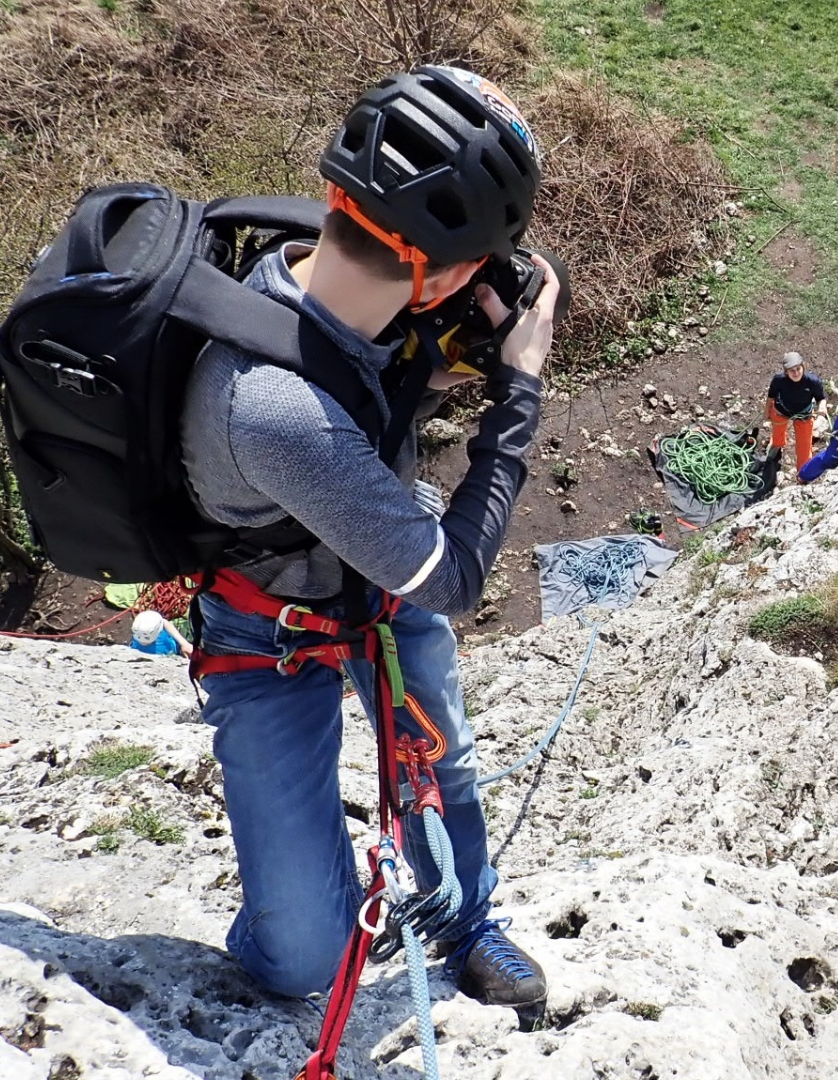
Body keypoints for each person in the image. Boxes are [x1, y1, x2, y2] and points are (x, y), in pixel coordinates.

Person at [179, 66, 554, 1011]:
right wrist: (518, 389)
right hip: (267, 634)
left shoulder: (313, 271)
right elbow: (454, 577)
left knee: (445, 759)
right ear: (452, 270)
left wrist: (433, 371)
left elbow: (362, 391)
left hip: (367, 585)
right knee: (306, 959)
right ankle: (304, 911)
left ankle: (465, 917)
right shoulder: (273, 406)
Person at [766, 351, 827, 475]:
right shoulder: (779, 380)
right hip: (781, 411)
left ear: (803, 366)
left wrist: (822, 407)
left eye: (798, 369)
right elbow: (771, 397)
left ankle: (803, 473)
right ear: (786, 371)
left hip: (803, 414)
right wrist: (766, 412)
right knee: (777, 436)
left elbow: (821, 398)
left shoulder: (812, 381)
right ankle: (777, 445)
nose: (796, 373)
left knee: (804, 448)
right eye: (791, 370)